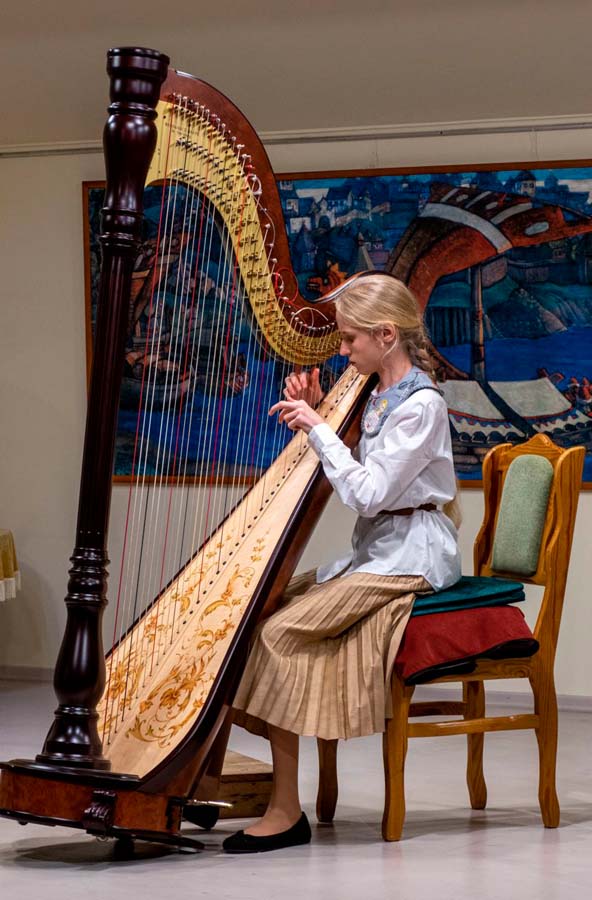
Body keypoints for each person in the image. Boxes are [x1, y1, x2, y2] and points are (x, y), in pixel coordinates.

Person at [223, 271, 461, 853]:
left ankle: (286, 810)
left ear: (386, 335)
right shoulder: (378, 393)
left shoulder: (422, 406)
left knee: (278, 633)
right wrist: (316, 413)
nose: (342, 349)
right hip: (376, 550)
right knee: (256, 606)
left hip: (411, 556)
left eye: (350, 338)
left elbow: (369, 493)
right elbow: (362, 469)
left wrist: (318, 428)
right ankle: (220, 779)